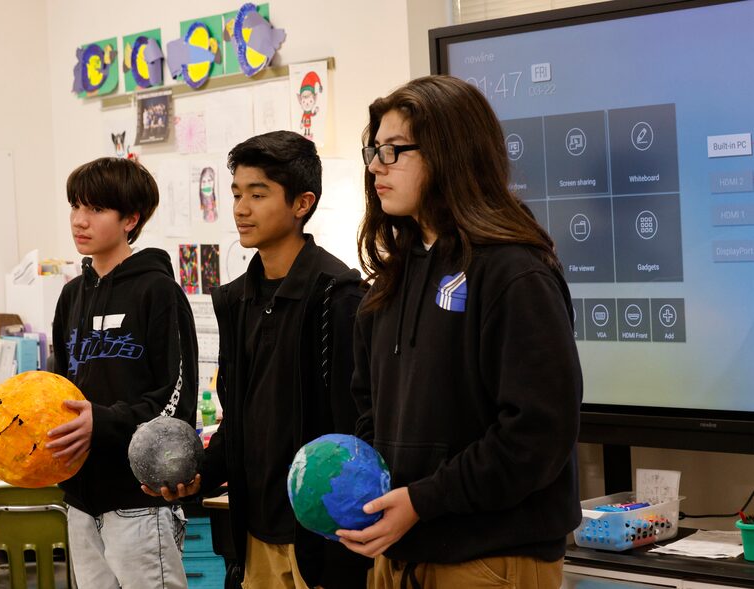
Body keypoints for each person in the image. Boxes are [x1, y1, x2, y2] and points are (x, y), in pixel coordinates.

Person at [336, 75, 583, 588]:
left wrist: (424, 501)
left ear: (451, 153)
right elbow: (369, 409)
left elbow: (536, 435)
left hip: (488, 559)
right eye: (373, 150)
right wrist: (370, 494)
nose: (376, 166)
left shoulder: (515, 272)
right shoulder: (392, 279)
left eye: (395, 150)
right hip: (399, 553)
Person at [143, 131, 371, 588]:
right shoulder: (236, 301)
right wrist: (200, 476)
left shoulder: (338, 297)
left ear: (301, 203)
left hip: (324, 533)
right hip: (255, 533)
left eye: (258, 194)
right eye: (237, 194)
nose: (241, 209)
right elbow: (241, 424)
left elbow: (357, 425)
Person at [46, 156, 199, 589]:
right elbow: (60, 392)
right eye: (75, 206)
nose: (79, 220)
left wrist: (104, 420)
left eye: (95, 209)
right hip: (79, 500)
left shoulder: (159, 291)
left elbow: (176, 402)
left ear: (130, 218)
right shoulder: (71, 295)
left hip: (138, 501)